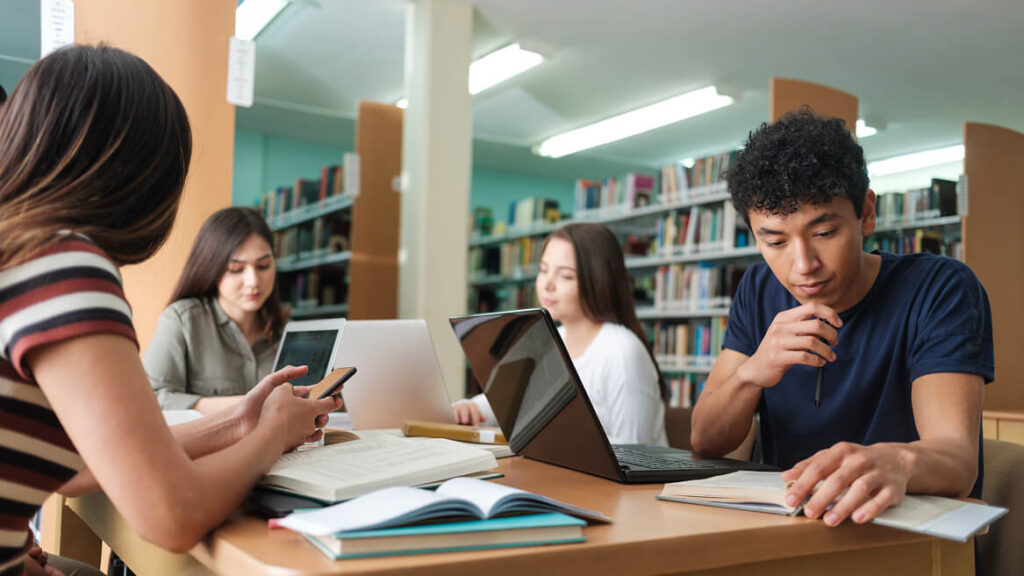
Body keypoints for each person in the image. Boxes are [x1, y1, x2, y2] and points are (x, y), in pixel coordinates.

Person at [0, 45, 341, 575]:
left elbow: (72, 468)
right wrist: (274, 434)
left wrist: (237, 425)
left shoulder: (16, 253)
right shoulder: (61, 267)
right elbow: (170, 516)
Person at [690, 109, 992, 528]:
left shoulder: (939, 288)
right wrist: (752, 373)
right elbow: (705, 441)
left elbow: (958, 461)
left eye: (824, 233)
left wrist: (894, 461)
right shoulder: (758, 288)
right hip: (786, 537)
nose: (803, 265)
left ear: (866, 212)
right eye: (774, 241)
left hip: (905, 546)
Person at [454, 223, 668, 446]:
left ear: (598, 280)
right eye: (544, 270)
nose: (547, 284)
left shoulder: (622, 351)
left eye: (565, 276)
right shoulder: (543, 340)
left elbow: (636, 451)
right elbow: (500, 403)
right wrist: (469, 408)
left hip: (613, 480)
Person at [145, 207, 285, 412]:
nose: (253, 281)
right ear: (211, 267)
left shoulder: (287, 332)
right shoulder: (182, 320)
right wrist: (247, 405)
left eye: (263, 265)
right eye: (236, 269)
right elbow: (153, 399)